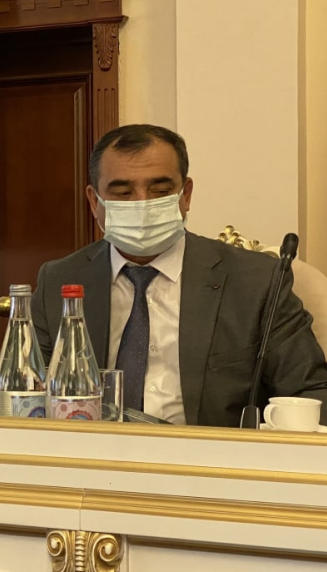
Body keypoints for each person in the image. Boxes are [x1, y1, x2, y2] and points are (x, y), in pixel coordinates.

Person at [32, 124, 327, 427]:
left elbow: (311, 392)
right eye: (122, 193)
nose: (142, 204)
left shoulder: (256, 281)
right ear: (95, 202)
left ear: (185, 195)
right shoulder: (59, 280)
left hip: (212, 453)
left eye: (160, 191)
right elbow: (29, 395)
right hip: (91, 451)